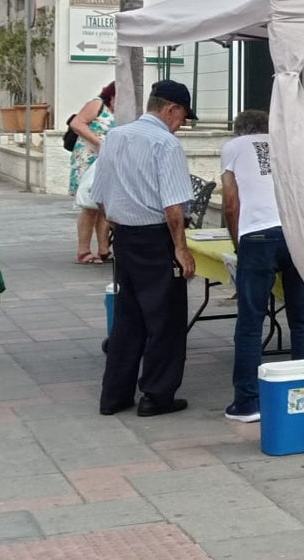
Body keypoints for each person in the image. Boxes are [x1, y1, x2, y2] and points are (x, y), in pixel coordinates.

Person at [93, 80, 197, 417]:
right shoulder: (165, 143)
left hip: (124, 237)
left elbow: (100, 197)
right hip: (156, 239)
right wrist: (181, 249)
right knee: (165, 320)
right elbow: (173, 208)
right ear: (170, 109)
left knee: (128, 319)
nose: (181, 125)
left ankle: (114, 395)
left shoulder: (114, 137)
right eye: (182, 118)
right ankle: (156, 395)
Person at [220, 109, 304, 423]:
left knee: (250, 322)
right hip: (295, 233)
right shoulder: (285, 145)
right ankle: (303, 395)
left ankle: (247, 402)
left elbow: (231, 202)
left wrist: (238, 243)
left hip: (257, 236)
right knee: (301, 319)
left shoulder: (233, 147)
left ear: (239, 131)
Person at [69, 82, 116, 264]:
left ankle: (103, 249)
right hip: (88, 159)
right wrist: (98, 142)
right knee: (90, 205)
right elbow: (77, 123)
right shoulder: (97, 104)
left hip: (106, 161)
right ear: (111, 95)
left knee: (104, 205)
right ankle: (84, 250)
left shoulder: (122, 112)